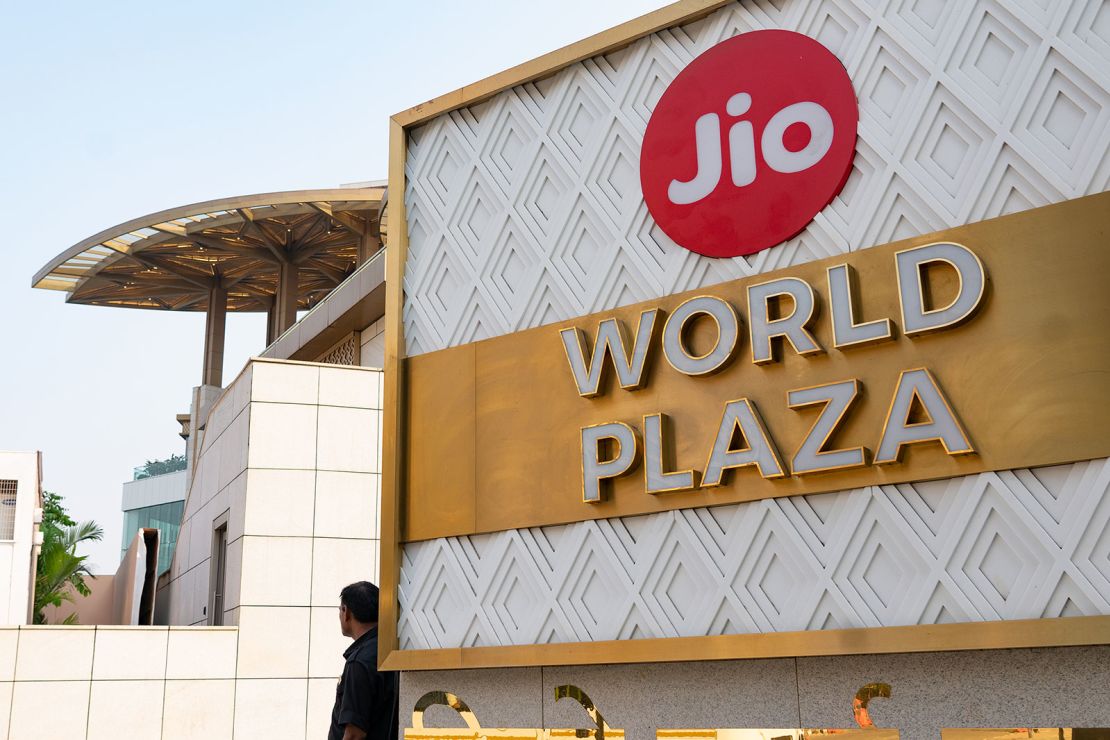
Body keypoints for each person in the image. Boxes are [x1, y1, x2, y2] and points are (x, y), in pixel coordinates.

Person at [329, 581, 399, 740]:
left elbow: (354, 734)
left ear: (346, 612)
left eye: (340, 610)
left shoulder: (359, 662)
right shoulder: (391, 648)